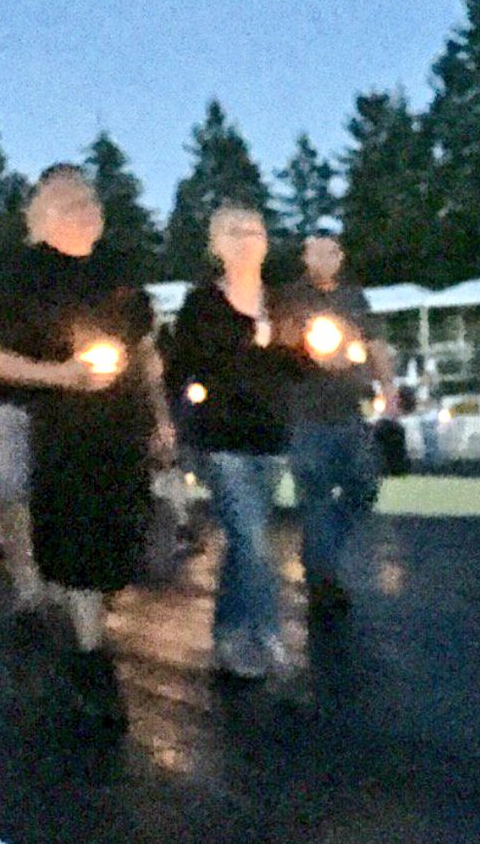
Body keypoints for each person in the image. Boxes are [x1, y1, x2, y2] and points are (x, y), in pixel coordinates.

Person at [0, 163, 175, 733]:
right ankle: (89, 654)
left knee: (115, 535)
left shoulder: (119, 273)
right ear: (44, 215)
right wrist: (63, 376)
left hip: (122, 428)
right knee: (75, 535)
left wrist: (159, 416)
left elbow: (145, 349)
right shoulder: (17, 275)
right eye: (71, 202)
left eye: (91, 201)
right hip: (59, 426)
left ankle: (74, 601)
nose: (86, 211)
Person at [167, 203, 299, 679]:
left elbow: (297, 366)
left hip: (270, 438)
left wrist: (317, 354)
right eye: (235, 231)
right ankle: (267, 638)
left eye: (256, 230)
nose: (248, 239)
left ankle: (227, 635)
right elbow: (182, 367)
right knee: (254, 541)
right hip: (221, 440)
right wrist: (173, 425)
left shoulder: (281, 303)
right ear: (216, 244)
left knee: (246, 543)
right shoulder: (202, 305)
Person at [274, 233, 398, 615]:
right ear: (305, 256)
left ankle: (319, 555)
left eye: (331, 252)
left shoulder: (354, 298)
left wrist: (389, 387)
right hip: (306, 415)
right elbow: (284, 339)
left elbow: (374, 343)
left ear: (340, 256)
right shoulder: (292, 298)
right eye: (316, 251)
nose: (324, 259)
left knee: (364, 486)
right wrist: (315, 349)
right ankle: (323, 579)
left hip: (350, 410)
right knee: (316, 497)